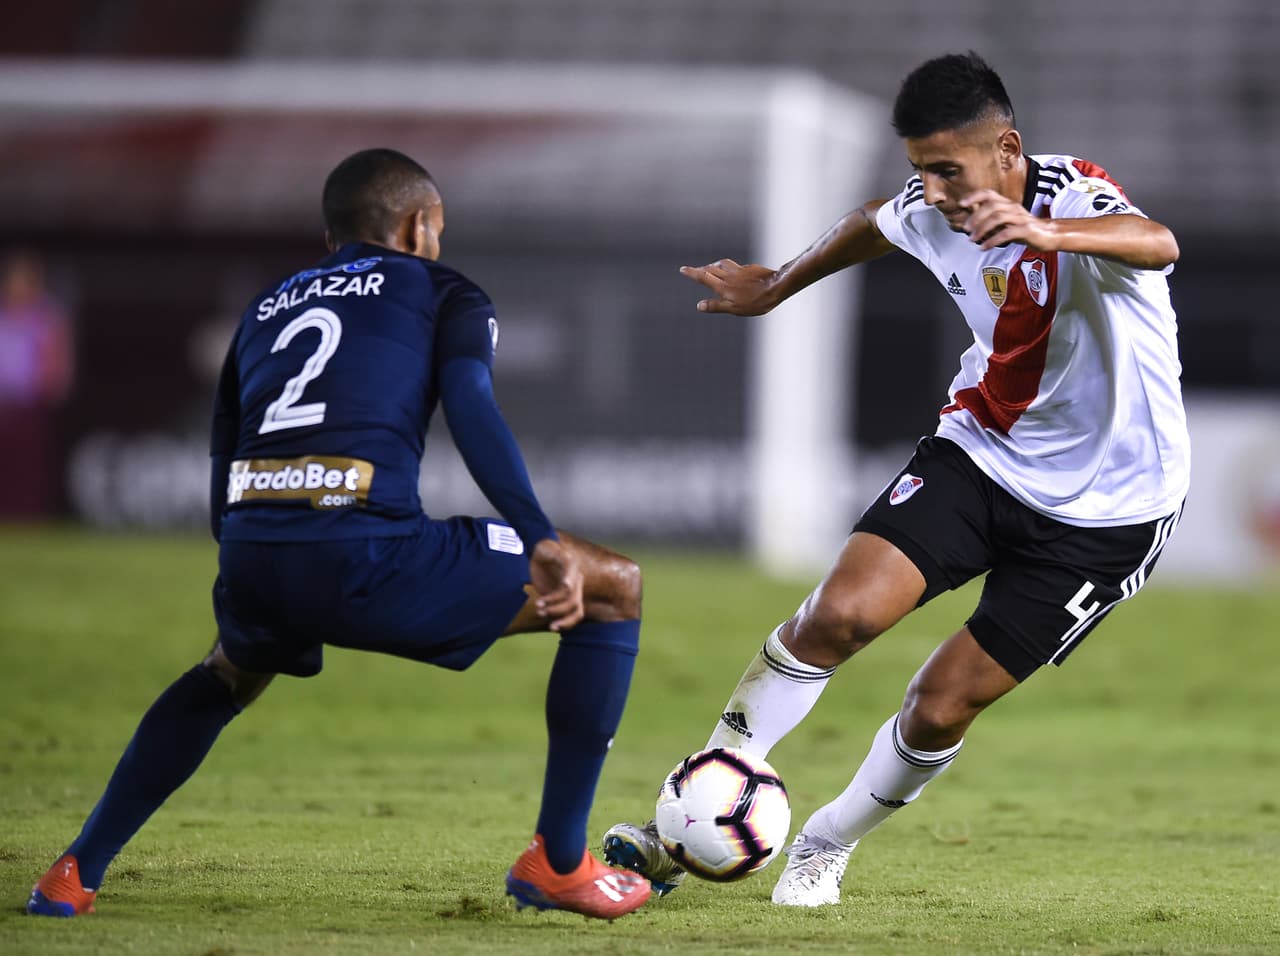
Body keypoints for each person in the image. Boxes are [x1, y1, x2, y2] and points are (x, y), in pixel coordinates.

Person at [603, 51, 1189, 907]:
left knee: (940, 706)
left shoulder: (1074, 200)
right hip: (983, 453)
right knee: (836, 615)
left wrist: (1048, 237)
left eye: (948, 169)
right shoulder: (930, 205)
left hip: (1109, 515)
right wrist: (779, 284)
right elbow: (874, 220)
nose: (934, 190)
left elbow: (1157, 241)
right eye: (921, 168)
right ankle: (690, 812)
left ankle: (826, 843)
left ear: (1007, 149)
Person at [27, 148, 650, 921]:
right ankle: (557, 863)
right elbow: (471, 404)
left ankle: (73, 872)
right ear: (419, 227)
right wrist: (537, 534)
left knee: (230, 669)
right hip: (365, 553)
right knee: (613, 586)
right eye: (438, 229)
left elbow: (224, 465)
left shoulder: (265, 309)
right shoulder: (443, 290)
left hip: (253, 552)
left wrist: (262, 572)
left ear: (333, 238)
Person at [0, 249, 75, 518]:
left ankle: (29, 517)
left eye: (25, 281)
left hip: (30, 407)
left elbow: (58, 365)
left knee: (28, 470)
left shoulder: (46, 318)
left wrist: (48, 389)